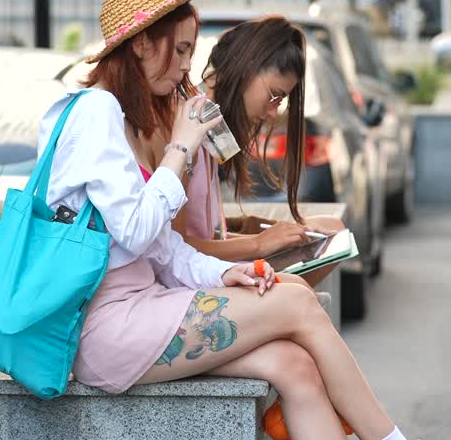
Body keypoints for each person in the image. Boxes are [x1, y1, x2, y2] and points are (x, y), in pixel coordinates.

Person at [39, 0, 451, 440]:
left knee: (294, 365)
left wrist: (225, 271)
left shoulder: (130, 117)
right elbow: (139, 229)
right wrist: (182, 149)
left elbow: (166, 248)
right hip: (107, 329)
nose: (188, 68)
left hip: (146, 308)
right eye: (181, 50)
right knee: (297, 301)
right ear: (141, 45)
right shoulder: (96, 114)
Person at [131, 15, 344, 289]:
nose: (273, 111)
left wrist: (268, 236)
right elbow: (175, 249)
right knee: (299, 292)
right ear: (244, 69)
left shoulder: (210, 124)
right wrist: (258, 244)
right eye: (273, 95)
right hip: (183, 281)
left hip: (203, 269)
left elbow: (206, 234)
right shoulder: (185, 125)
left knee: (331, 230)